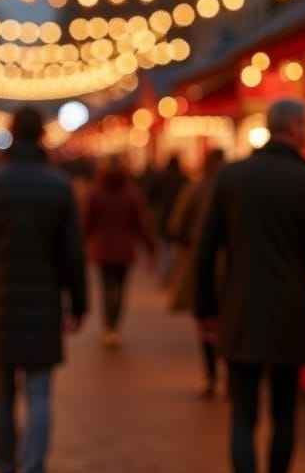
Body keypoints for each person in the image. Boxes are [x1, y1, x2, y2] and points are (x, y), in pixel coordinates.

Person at [196, 98, 305, 473]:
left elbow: (206, 249)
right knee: (284, 413)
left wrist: (205, 310)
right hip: (288, 310)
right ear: (293, 128)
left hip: (238, 308)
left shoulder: (231, 177)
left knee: (242, 415)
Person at [0, 106, 87, 473]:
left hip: (3, 295)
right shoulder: (60, 186)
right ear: (43, 138)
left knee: (2, 391)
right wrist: (78, 302)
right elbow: (73, 252)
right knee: (40, 392)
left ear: (11, 135)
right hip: (45, 298)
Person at [168, 146, 226, 397]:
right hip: (232, 265)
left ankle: (211, 374)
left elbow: (176, 226)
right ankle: (229, 373)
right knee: (228, 318)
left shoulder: (194, 190)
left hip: (199, 262)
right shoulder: (235, 192)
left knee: (205, 317)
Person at [83, 153, 154, 347]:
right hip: (124, 249)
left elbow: (87, 222)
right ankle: (115, 326)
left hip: (103, 248)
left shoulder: (95, 192)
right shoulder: (131, 192)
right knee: (121, 289)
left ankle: (108, 326)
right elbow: (141, 223)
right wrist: (150, 248)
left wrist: (82, 244)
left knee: (106, 288)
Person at [144, 153, 189, 285]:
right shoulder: (183, 179)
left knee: (164, 248)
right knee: (174, 248)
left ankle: (165, 275)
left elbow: (149, 195)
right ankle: (172, 275)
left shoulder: (161, 178)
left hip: (163, 216)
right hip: (179, 217)